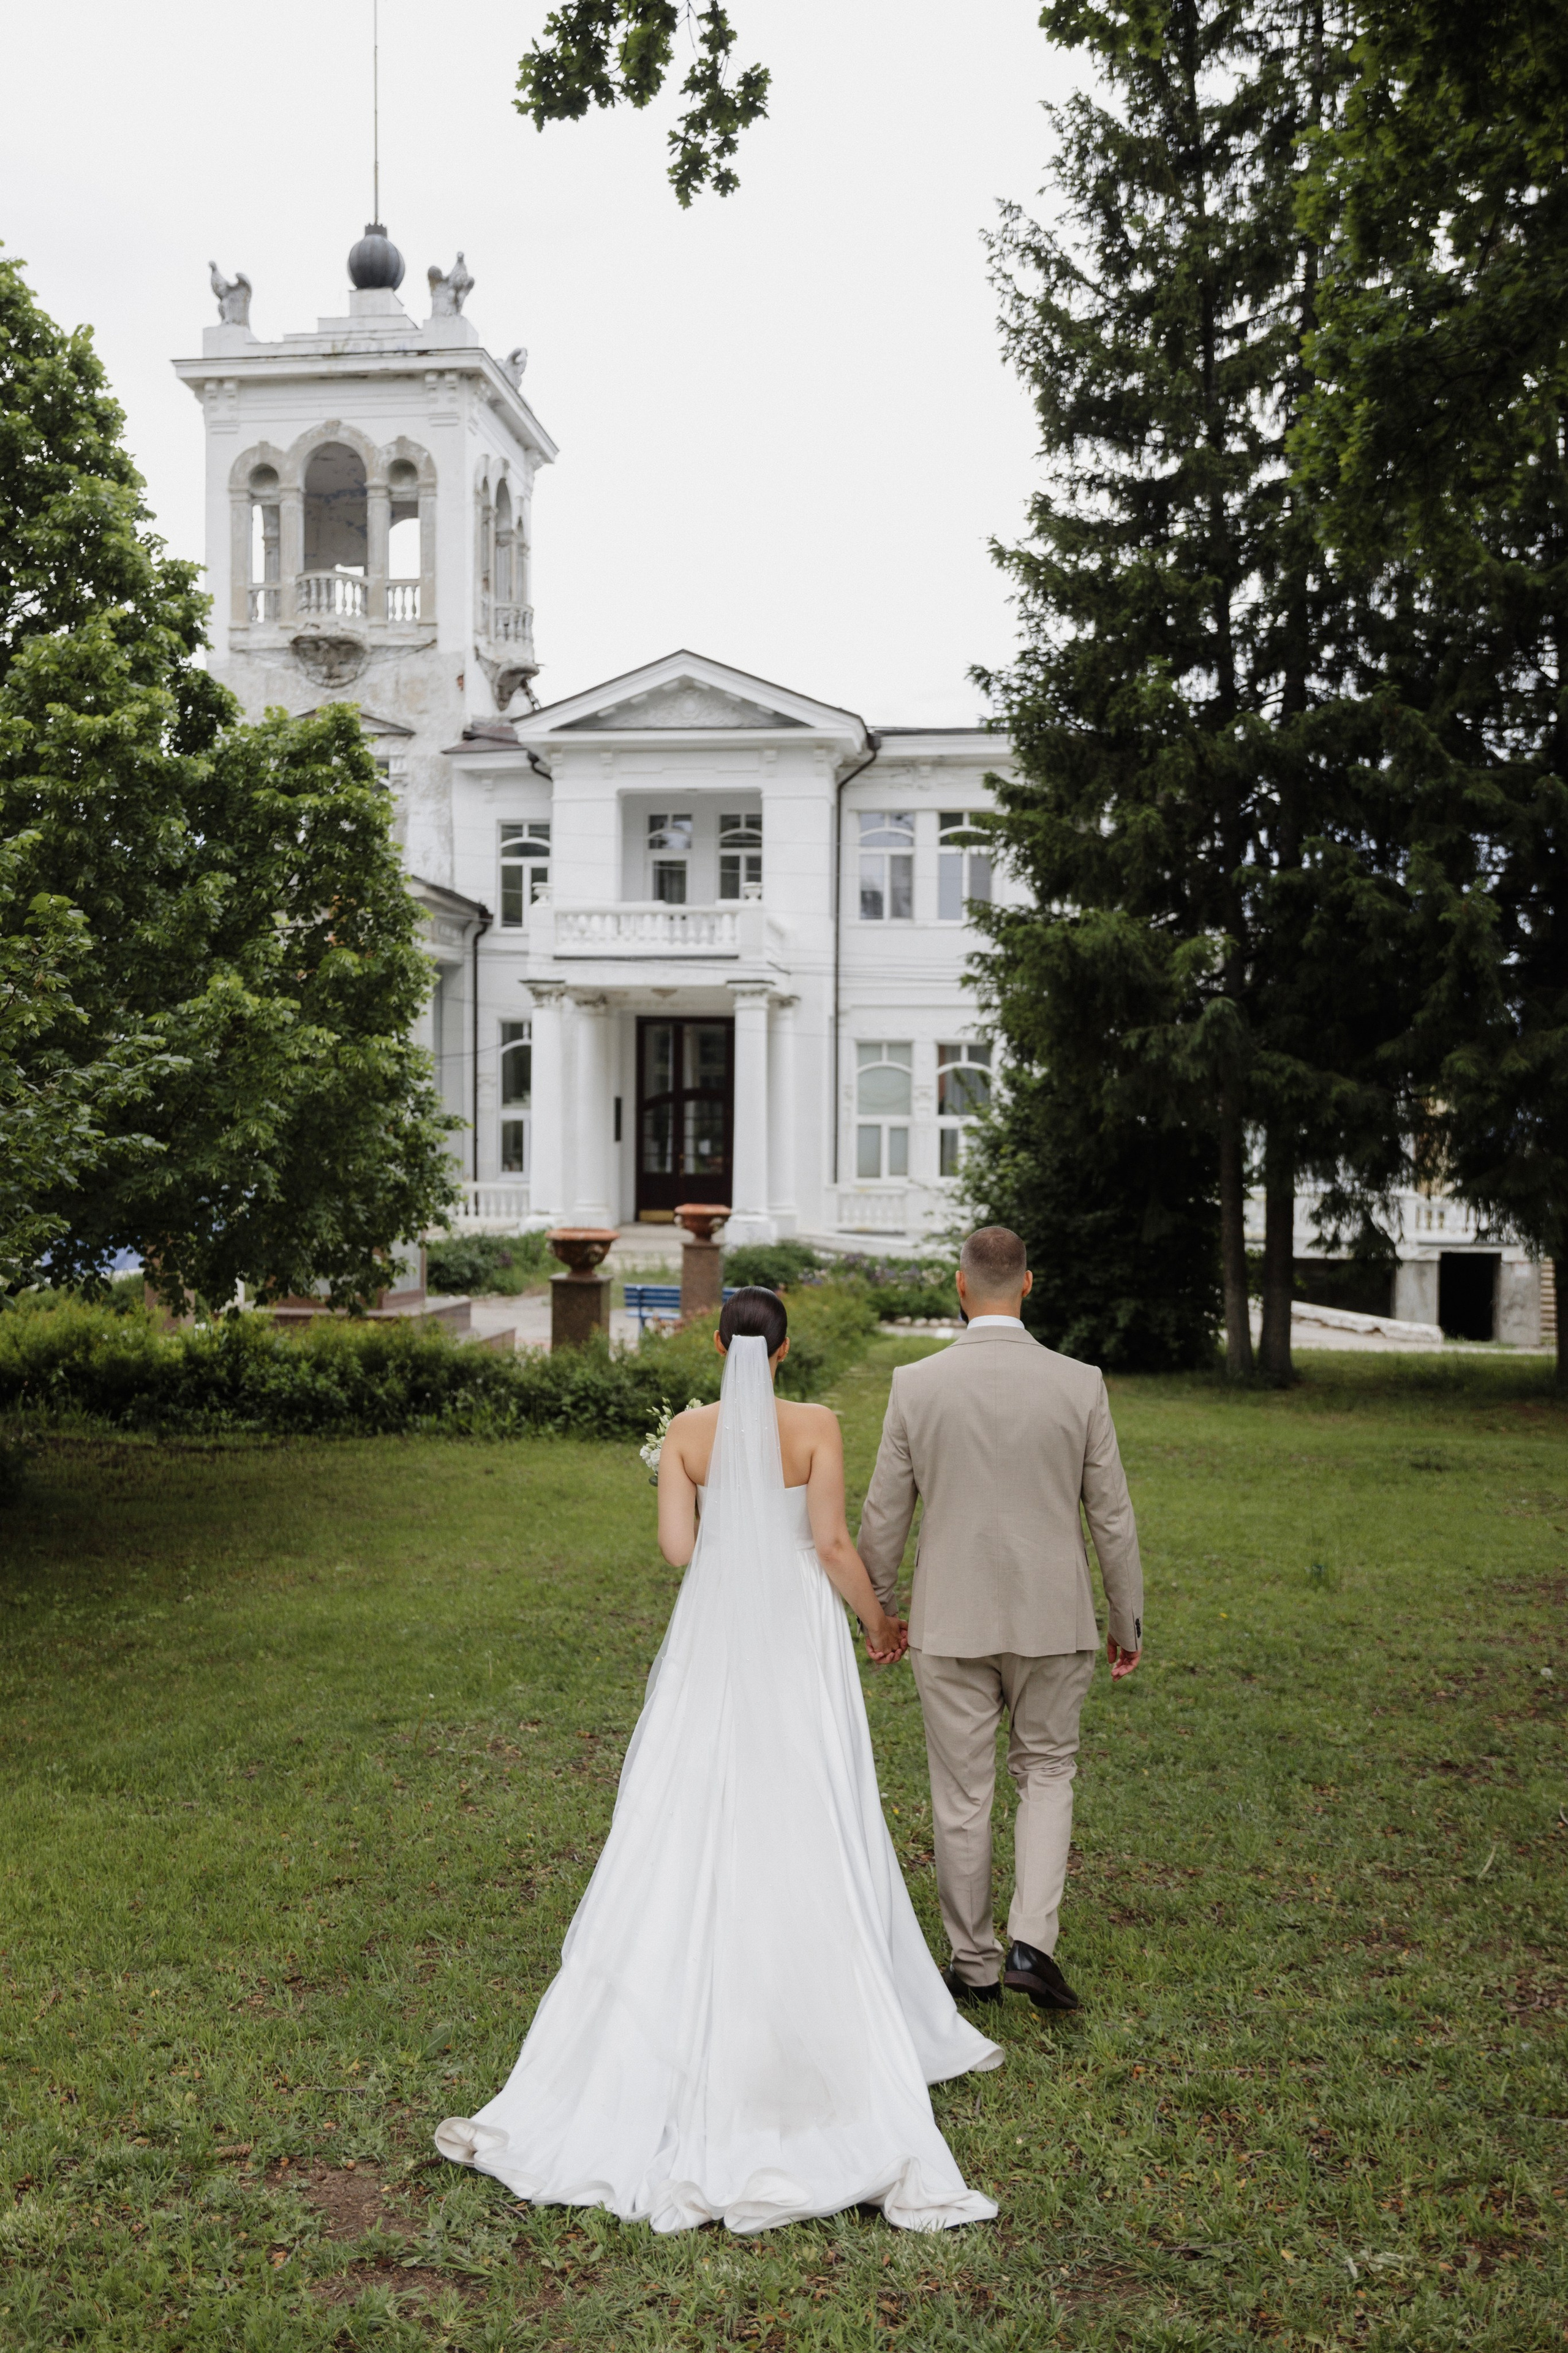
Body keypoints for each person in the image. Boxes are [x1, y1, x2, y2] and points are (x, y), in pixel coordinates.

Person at [435, 1287, 1001, 2234]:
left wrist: (704, 1497)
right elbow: (827, 1543)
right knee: (807, 1791)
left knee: (690, 1796)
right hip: (795, 1630)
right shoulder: (817, 1422)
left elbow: (676, 1550)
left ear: (716, 1344)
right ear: (783, 1351)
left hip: (714, 1633)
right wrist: (879, 1623)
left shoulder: (689, 1437)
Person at [858, 1227, 1143, 2015]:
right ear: (1027, 1284)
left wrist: (878, 1609)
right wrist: (1127, 1617)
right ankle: (1032, 1942)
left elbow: (885, 1511)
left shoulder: (916, 1384)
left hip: (949, 1620)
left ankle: (974, 1964)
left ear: (960, 1285)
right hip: (1055, 1616)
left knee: (962, 1794)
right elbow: (1111, 1516)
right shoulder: (1078, 1382)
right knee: (1047, 1772)